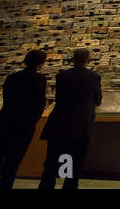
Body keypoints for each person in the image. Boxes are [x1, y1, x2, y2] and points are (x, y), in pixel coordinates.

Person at [38, 48, 102, 190]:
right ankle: (69, 186)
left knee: (52, 161)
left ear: (73, 59)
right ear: (88, 60)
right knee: (75, 160)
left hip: (59, 122)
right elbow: (98, 100)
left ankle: (46, 186)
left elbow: (58, 97)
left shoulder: (61, 76)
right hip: (81, 125)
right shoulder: (94, 77)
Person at [0, 50, 47, 189]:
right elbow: (40, 105)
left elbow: (6, 99)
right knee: (12, 164)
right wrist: (31, 121)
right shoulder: (39, 79)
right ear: (40, 63)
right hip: (24, 125)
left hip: (4, 122)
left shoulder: (12, 77)